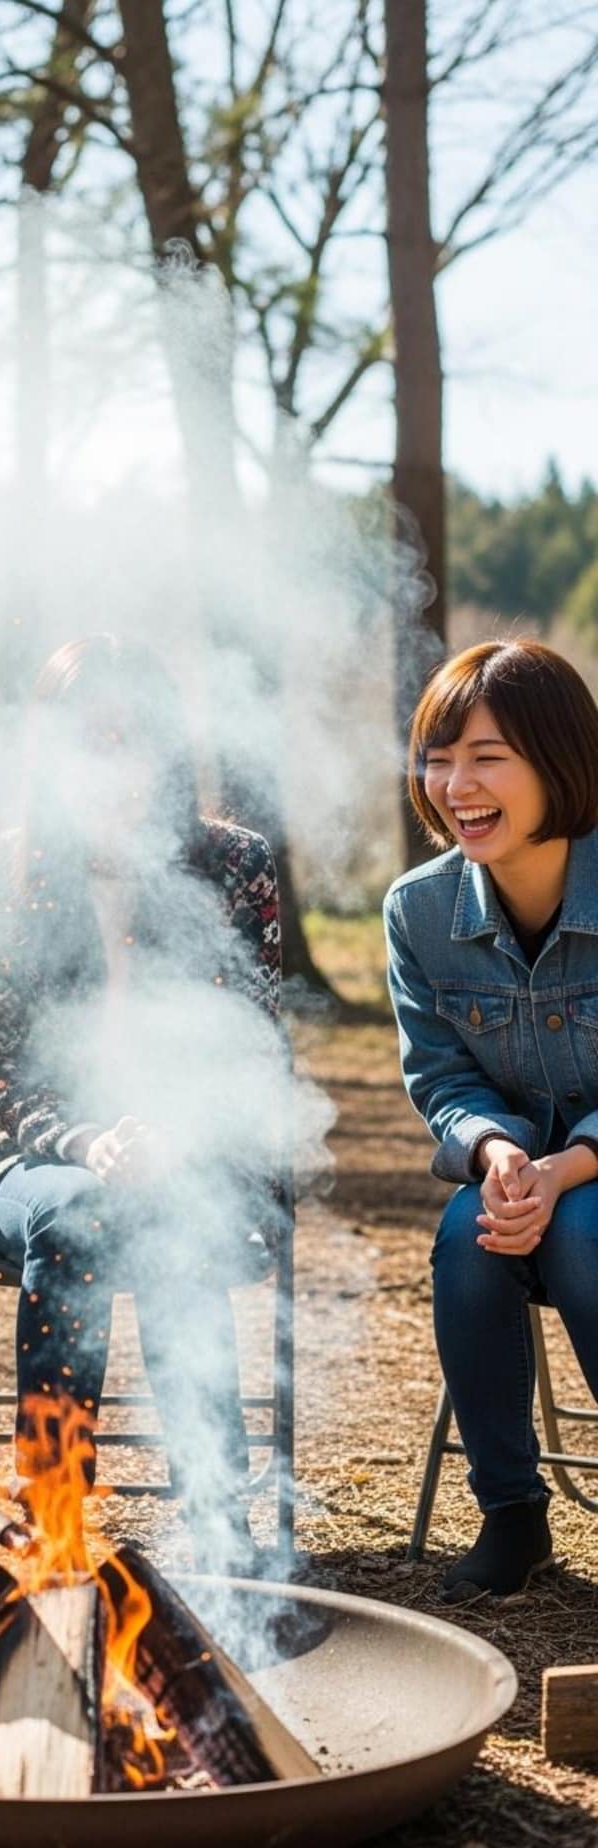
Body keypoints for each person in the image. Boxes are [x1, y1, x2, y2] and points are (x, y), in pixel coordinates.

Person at [0, 635, 285, 1575]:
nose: (114, 758)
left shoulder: (235, 863)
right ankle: (52, 1525)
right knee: (86, 1211)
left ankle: (220, 1532)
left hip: (199, 1155)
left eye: (136, 736)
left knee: (178, 1211)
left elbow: (252, 1043)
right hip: (34, 1157)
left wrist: (180, 1132)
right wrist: (89, 1142)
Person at [385, 637, 598, 1601]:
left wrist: (569, 1168)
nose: (453, 783)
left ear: (559, 759)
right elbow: (438, 1073)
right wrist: (501, 1148)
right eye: (437, 755)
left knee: (583, 1232)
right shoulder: (419, 911)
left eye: (486, 755)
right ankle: (512, 1514)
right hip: (514, 1175)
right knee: (471, 1241)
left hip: (592, 1185)